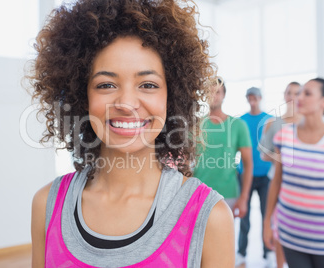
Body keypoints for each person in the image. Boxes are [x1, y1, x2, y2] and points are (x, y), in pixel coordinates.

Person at [28, 0, 235, 267]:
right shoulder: (47, 205)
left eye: (148, 84)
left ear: (172, 97)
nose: (126, 103)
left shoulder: (209, 217)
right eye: (106, 84)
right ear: (82, 96)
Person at [263, 78, 324, 268]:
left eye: (307, 93)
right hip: (290, 232)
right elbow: (277, 183)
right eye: (299, 92)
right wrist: (267, 225)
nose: (299, 97)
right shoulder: (285, 135)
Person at [194, 77, 253, 218]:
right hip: (198, 194)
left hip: (228, 194)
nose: (214, 95)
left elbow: (248, 164)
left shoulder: (238, 125)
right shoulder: (195, 126)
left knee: (226, 239)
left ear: (224, 95)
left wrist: (244, 198)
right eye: (210, 92)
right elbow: (184, 162)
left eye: (217, 92)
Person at [258, 81, 302, 268]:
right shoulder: (273, 124)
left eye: (296, 93)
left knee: (298, 226)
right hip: (277, 181)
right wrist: (282, 156)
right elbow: (263, 153)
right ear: (284, 96)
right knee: (278, 227)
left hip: (300, 183)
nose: (292, 96)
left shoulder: (306, 124)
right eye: (289, 92)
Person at [236, 87, 274, 267]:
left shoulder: (269, 120)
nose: (252, 101)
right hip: (245, 175)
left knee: (267, 214)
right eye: (249, 98)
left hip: (266, 175)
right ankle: (241, 253)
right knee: (245, 217)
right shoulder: (241, 121)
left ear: (260, 98)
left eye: (255, 98)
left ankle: (268, 253)